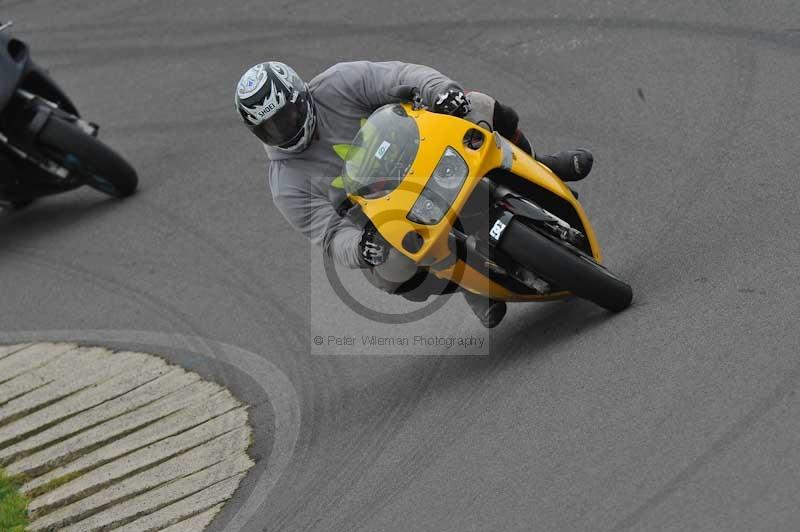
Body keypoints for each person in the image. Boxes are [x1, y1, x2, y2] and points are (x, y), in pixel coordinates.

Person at [235, 61, 593, 328]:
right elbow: (329, 235)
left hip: (424, 152)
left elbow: (401, 76)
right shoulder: (285, 184)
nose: (287, 130)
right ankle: (470, 284)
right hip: (389, 217)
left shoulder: (338, 82)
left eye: (288, 115)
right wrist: (361, 247)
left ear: (302, 95)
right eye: (272, 128)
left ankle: (540, 165)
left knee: (477, 105)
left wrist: (439, 90)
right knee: (392, 270)